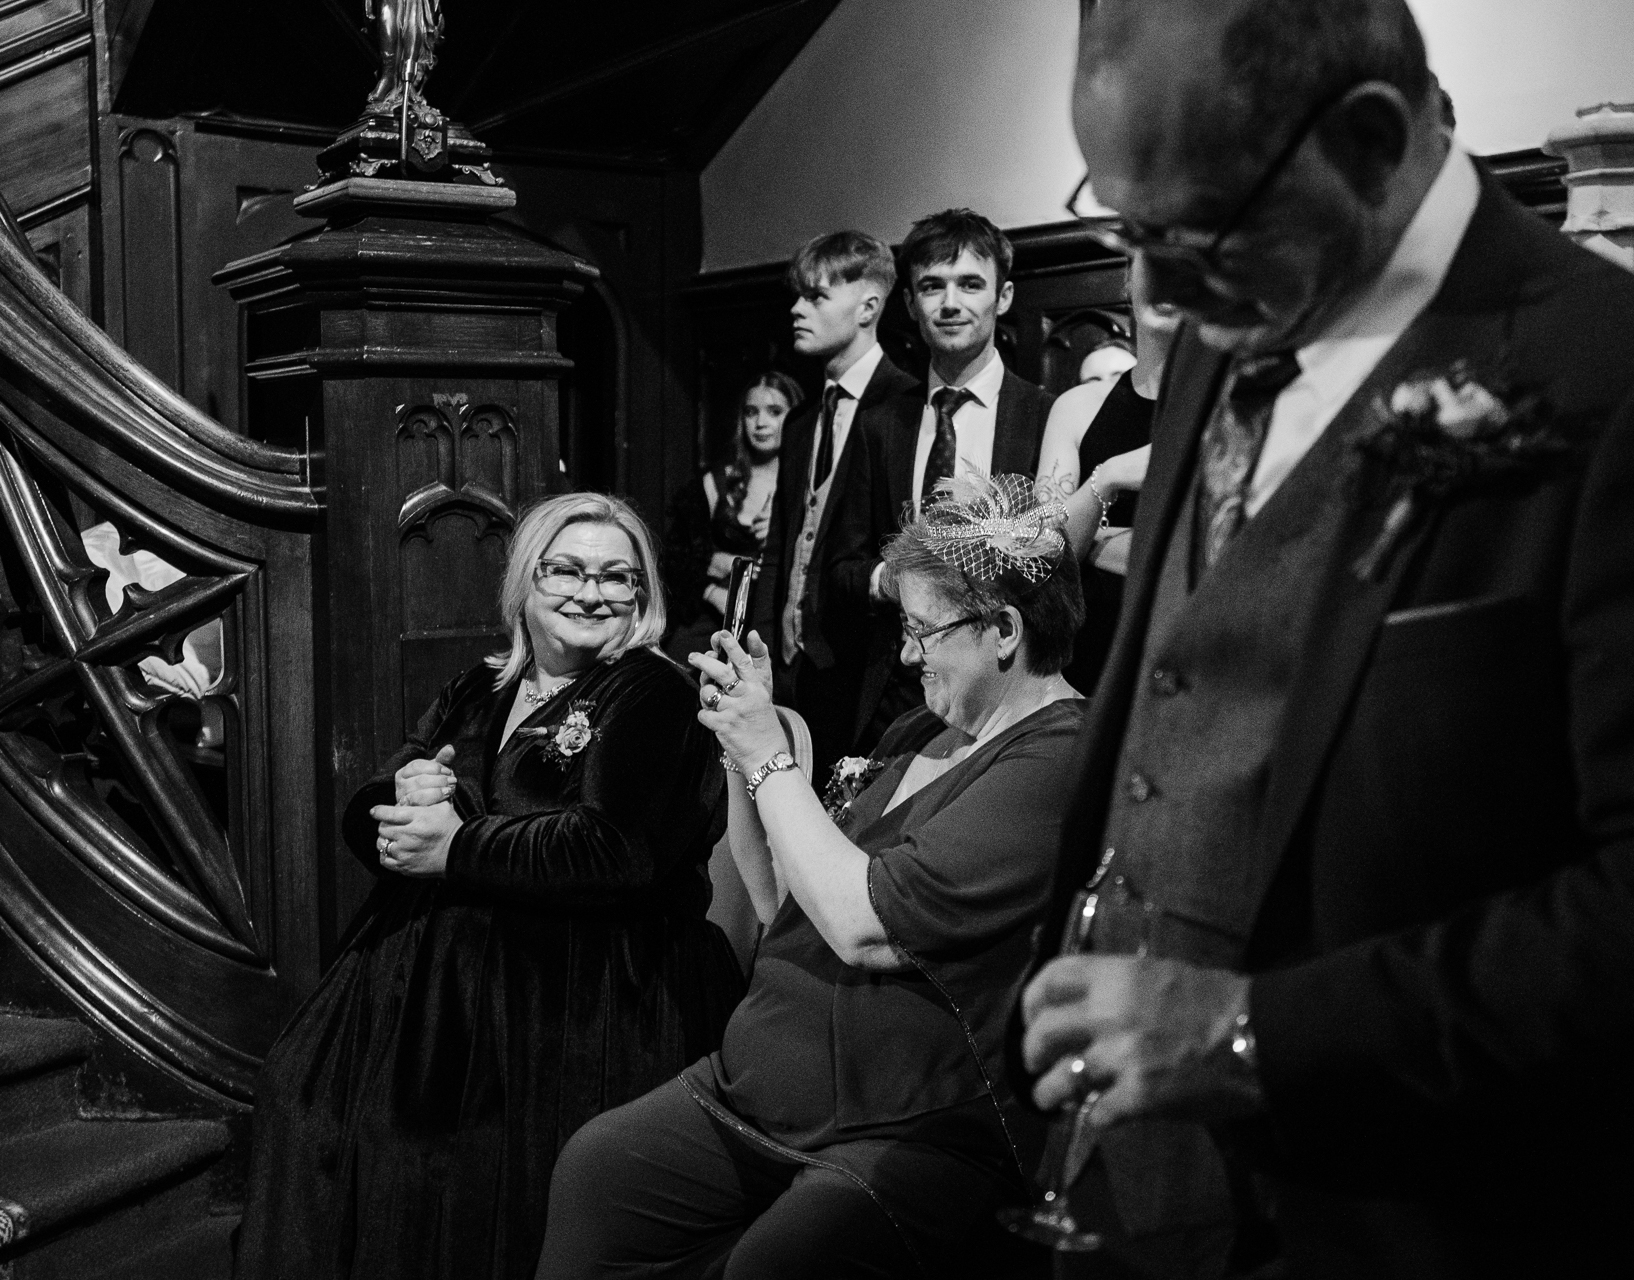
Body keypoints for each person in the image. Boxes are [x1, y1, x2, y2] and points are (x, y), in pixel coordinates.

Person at [1012, 3, 1634, 1277]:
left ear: (1368, 140)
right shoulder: (1217, 334)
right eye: (1123, 231)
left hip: (1422, 1216)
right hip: (1127, 1179)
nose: (1150, 294)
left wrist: (1262, 1035)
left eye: (1189, 233)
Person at [535, 476, 1085, 1280]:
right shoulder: (916, 730)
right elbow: (784, 903)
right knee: (599, 1168)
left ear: (1003, 630)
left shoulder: (1058, 755)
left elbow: (864, 930)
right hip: (755, 1089)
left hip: (903, 1127)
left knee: (783, 1262)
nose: (905, 654)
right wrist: (739, 754)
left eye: (923, 631)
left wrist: (771, 757)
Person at [236, 493, 744, 1280]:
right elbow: (374, 797)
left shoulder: (654, 694)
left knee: (467, 1177)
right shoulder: (481, 685)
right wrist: (397, 799)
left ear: (643, 596)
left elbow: (618, 850)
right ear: (524, 583)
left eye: (618, 577)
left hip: (584, 987)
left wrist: (459, 847)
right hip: (428, 978)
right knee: (302, 1101)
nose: (591, 592)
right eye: (567, 570)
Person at [848, 208, 1057, 748]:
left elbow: (1053, 560)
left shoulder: (1043, 415)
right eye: (932, 286)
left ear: (1003, 297)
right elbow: (840, 564)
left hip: (1006, 685)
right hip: (894, 682)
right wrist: (897, 582)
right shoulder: (880, 423)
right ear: (911, 304)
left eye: (970, 284)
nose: (950, 303)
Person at [749, 230, 922, 782]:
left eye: (816, 296)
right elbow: (783, 544)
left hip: (870, 670)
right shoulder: (802, 422)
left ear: (868, 305)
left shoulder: (906, 405)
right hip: (793, 666)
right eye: (797, 296)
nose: (797, 310)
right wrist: (763, 649)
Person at [1038, 271, 1180, 692]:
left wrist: (1092, 541)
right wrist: (1110, 476)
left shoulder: (1231, 399)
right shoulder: (1077, 407)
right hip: (1090, 662)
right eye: (1151, 263)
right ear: (1128, 283)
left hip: (1189, 651)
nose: (1166, 280)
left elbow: (1218, 553)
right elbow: (1042, 554)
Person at [663, 372, 800, 661]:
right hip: (715, 618)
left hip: (776, 620)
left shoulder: (805, 484)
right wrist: (711, 588)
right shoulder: (717, 481)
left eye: (774, 412)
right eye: (751, 412)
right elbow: (676, 558)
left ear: (796, 416)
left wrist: (781, 532)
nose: (761, 423)